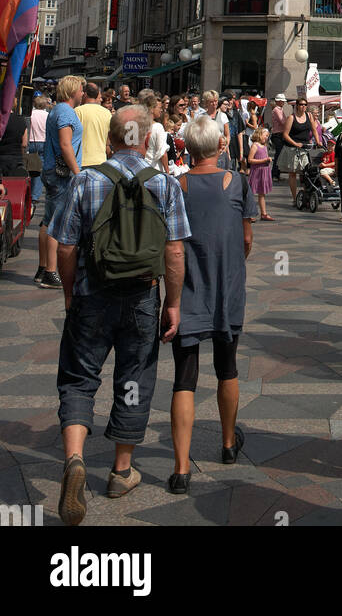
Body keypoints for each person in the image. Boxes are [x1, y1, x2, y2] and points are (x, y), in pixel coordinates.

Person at [51, 104, 191, 525]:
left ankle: (74, 458)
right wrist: (173, 303)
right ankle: (121, 470)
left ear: (111, 138)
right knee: (133, 377)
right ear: (146, 140)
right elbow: (175, 251)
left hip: (93, 296)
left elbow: (65, 248)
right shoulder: (164, 185)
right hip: (142, 299)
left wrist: (69, 293)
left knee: (79, 376)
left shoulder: (86, 180)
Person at [168, 116, 256, 494]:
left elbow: (169, 242)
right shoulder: (235, 182)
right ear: (222, 146)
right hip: (226, 288)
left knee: (184, 378)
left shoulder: (176, 186)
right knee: (228, 368)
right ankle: (226, 444)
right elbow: (247, 238)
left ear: (186, 147)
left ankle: (181, 468)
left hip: (186, 289)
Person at [36, 75, 85, 289]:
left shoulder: (57, 110)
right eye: (81, 90)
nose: (83, 93)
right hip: (61, 174)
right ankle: (50, 272)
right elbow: (66, 145)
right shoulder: (65, 112)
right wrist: (78, 172)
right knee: (57, 222)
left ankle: (43, 267)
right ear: (73, 91)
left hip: (52, 170)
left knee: (48, 220)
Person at [282, 97, 317, 200]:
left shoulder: (309, 115)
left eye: (305, 105)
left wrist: (318, 141)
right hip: (293, 148)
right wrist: (295, 143)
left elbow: (314, 130)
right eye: (301, 104)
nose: (303, 106)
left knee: (306, 172)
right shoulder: (291, 118)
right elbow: (285, 134)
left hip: (305, 148)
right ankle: (294, 198)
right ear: (297, 106)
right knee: (293, 173)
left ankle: (306, 195)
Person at [78, 82, 112, 169]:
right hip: (101, 160)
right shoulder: (107, 113)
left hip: (82, 161)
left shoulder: (78, 111)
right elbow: (109, 140)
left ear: (85, 94)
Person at [137, 90, 169, 174]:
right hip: (154, 170)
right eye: (159, 108)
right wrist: (167, 172)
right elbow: (163, 153)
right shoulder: (158, 127)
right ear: (151, 109)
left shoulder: (137, 125)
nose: (161, 110)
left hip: (139, 169)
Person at [247, 125, 274, 220]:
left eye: (267, 136)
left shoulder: (264, 146)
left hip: (264, 172)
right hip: (257, 172)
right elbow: (250, 160)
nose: (266, 138)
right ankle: (248, 213)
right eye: (265, 135)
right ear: (259, 135)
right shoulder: (255, 146)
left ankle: (264, 213)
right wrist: (263, 161)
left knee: (262, 193)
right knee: (251, 193)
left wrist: (267, 161)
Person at [28, 93, 50, 206]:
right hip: (44, 142)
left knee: (29, 168)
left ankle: (28, 191)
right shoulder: (47, 115)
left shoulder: (31, 114)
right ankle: (35, 195)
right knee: (39, 169)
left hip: (31, 141)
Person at [269, 93, 288, 181]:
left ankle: (277, 174)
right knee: (278, 155)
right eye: (282, 101)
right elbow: (282, 121)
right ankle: (274, 174)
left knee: (279, 155)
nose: (283, 103)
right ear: (279, 101)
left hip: (279, 134)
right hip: (278, 134)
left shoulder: (279, 109)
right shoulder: (277, 110)